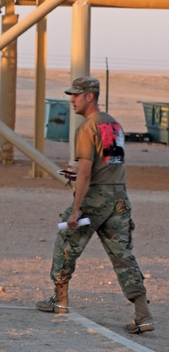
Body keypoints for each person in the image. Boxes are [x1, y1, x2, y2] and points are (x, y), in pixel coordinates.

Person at [36, 76, 154, 334]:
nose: (72, 101)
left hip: (96, 199)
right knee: (123, 256)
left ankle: (60, 299)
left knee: (66, 242)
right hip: (119, 198)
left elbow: (87, 173)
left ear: (90, 96)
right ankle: (142, 315)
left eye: (76, 95)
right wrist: (79, 174)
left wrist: (76, 209)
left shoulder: (87, 127)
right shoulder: (113, 124)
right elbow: (109, 165)